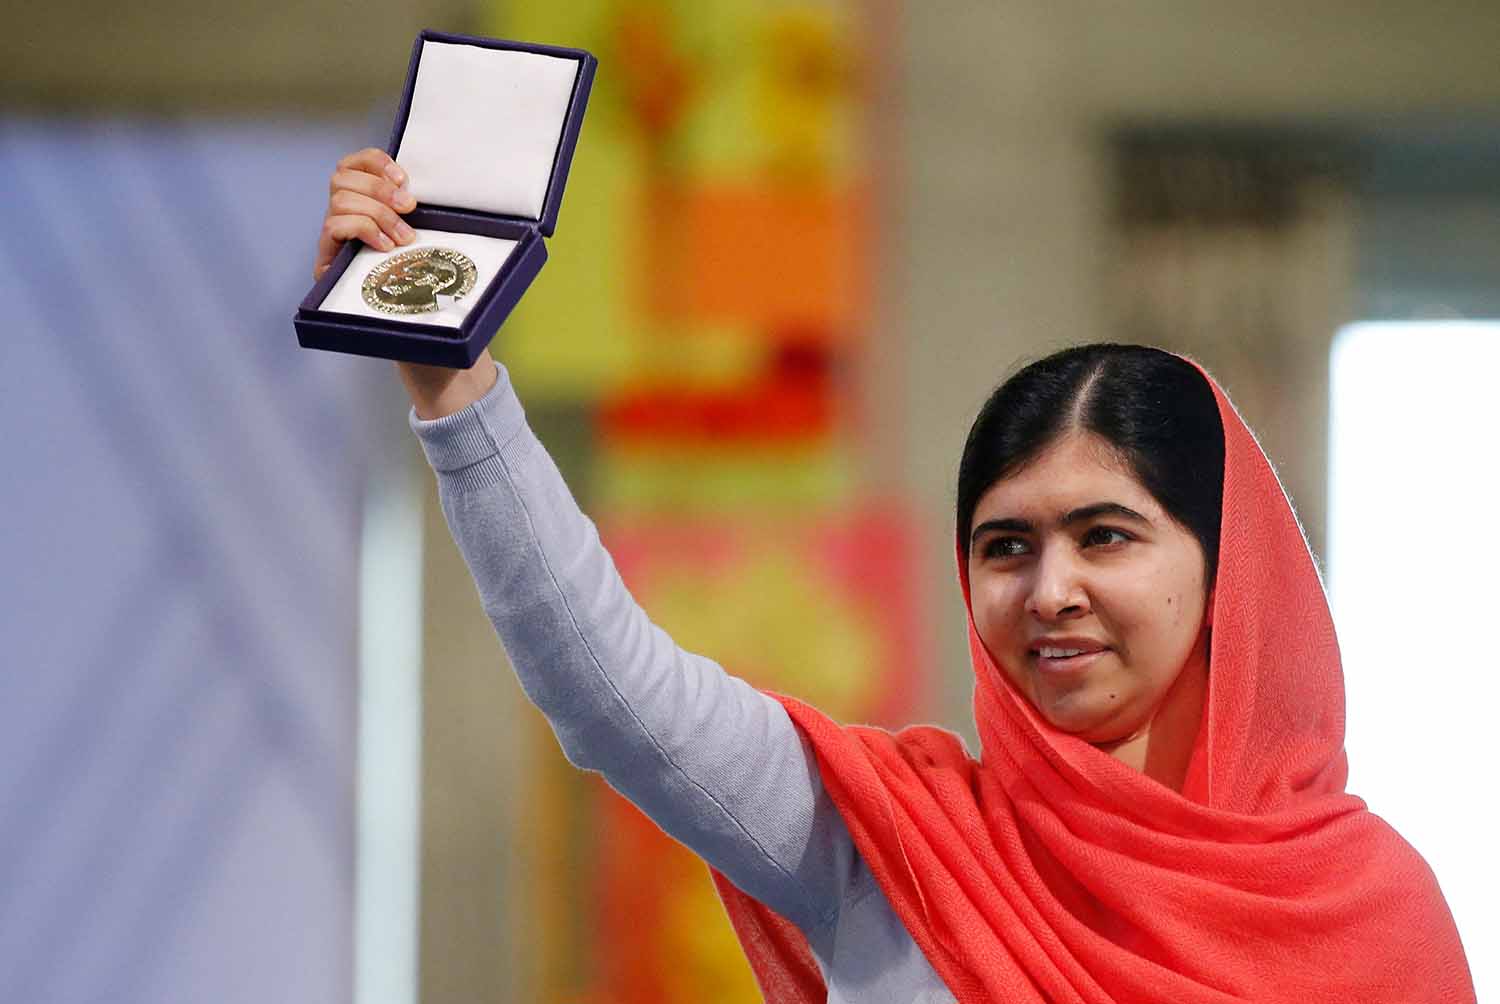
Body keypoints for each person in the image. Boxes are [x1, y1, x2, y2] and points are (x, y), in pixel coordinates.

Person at [316, 148, 1476, 1003]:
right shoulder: (894, 841)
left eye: (1106, 534)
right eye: (1004, 545)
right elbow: (615, 692)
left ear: (1230, 571)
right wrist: (454, 390)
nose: (1048, 589)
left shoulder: (1373, 914)